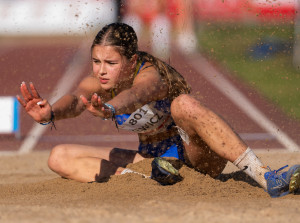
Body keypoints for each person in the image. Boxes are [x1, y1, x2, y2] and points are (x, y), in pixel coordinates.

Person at [17, 23, 299, 198]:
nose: (101, 70)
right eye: (96, 61)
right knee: (58, 156)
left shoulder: (151, 77)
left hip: (195, 156)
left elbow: (136, 95)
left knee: (183, 104)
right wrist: (51, 112)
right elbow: (77, 101)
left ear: (132, 61)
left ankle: (266, 176)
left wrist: (111, 108)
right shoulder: (99, 83)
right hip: (153, 160)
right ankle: (149, 178)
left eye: (110, 63)